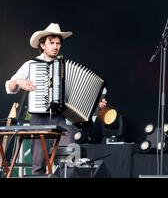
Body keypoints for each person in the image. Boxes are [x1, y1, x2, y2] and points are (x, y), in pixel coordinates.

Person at [4, 23, 107, 175]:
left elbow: (80, 92)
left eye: (58, 43)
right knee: (38, 164)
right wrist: (19, 82)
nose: (55, 46)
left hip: (62, 120)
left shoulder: (65, 66)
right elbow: (9, 87)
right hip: (39, 120)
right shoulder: (32, 64)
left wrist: (95, 103)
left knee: (68, 162)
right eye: (51, 42)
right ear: (42, 44)